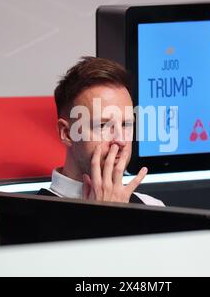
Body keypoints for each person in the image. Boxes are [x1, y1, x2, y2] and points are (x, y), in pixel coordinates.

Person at [38, 57, 164, 206]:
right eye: (103, 125)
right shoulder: (28, 218)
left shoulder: (153, 206)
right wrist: (105, 218)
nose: (121, 140)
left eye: (126, 124)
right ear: (67, 133)